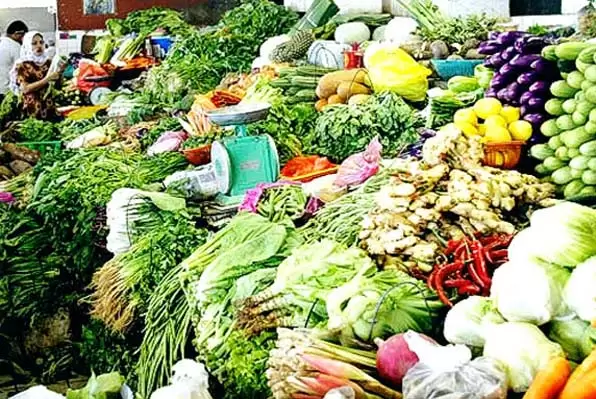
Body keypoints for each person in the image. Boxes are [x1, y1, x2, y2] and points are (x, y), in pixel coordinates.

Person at [9, 31, 65, 121]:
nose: (39, 46)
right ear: (27, 46)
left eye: (41, 42)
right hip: (32, 110)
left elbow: (58, 86)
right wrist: (47, 79)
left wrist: (60, 72)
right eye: (34, 43)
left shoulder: (48, 63)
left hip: (49, 108)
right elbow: (25, 89)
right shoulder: (23, 65)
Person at [0, 21, 28, 102]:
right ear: (17, 34)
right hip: (6, 90)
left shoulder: (1, 42)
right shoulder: (16, 47)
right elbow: (21, 70)